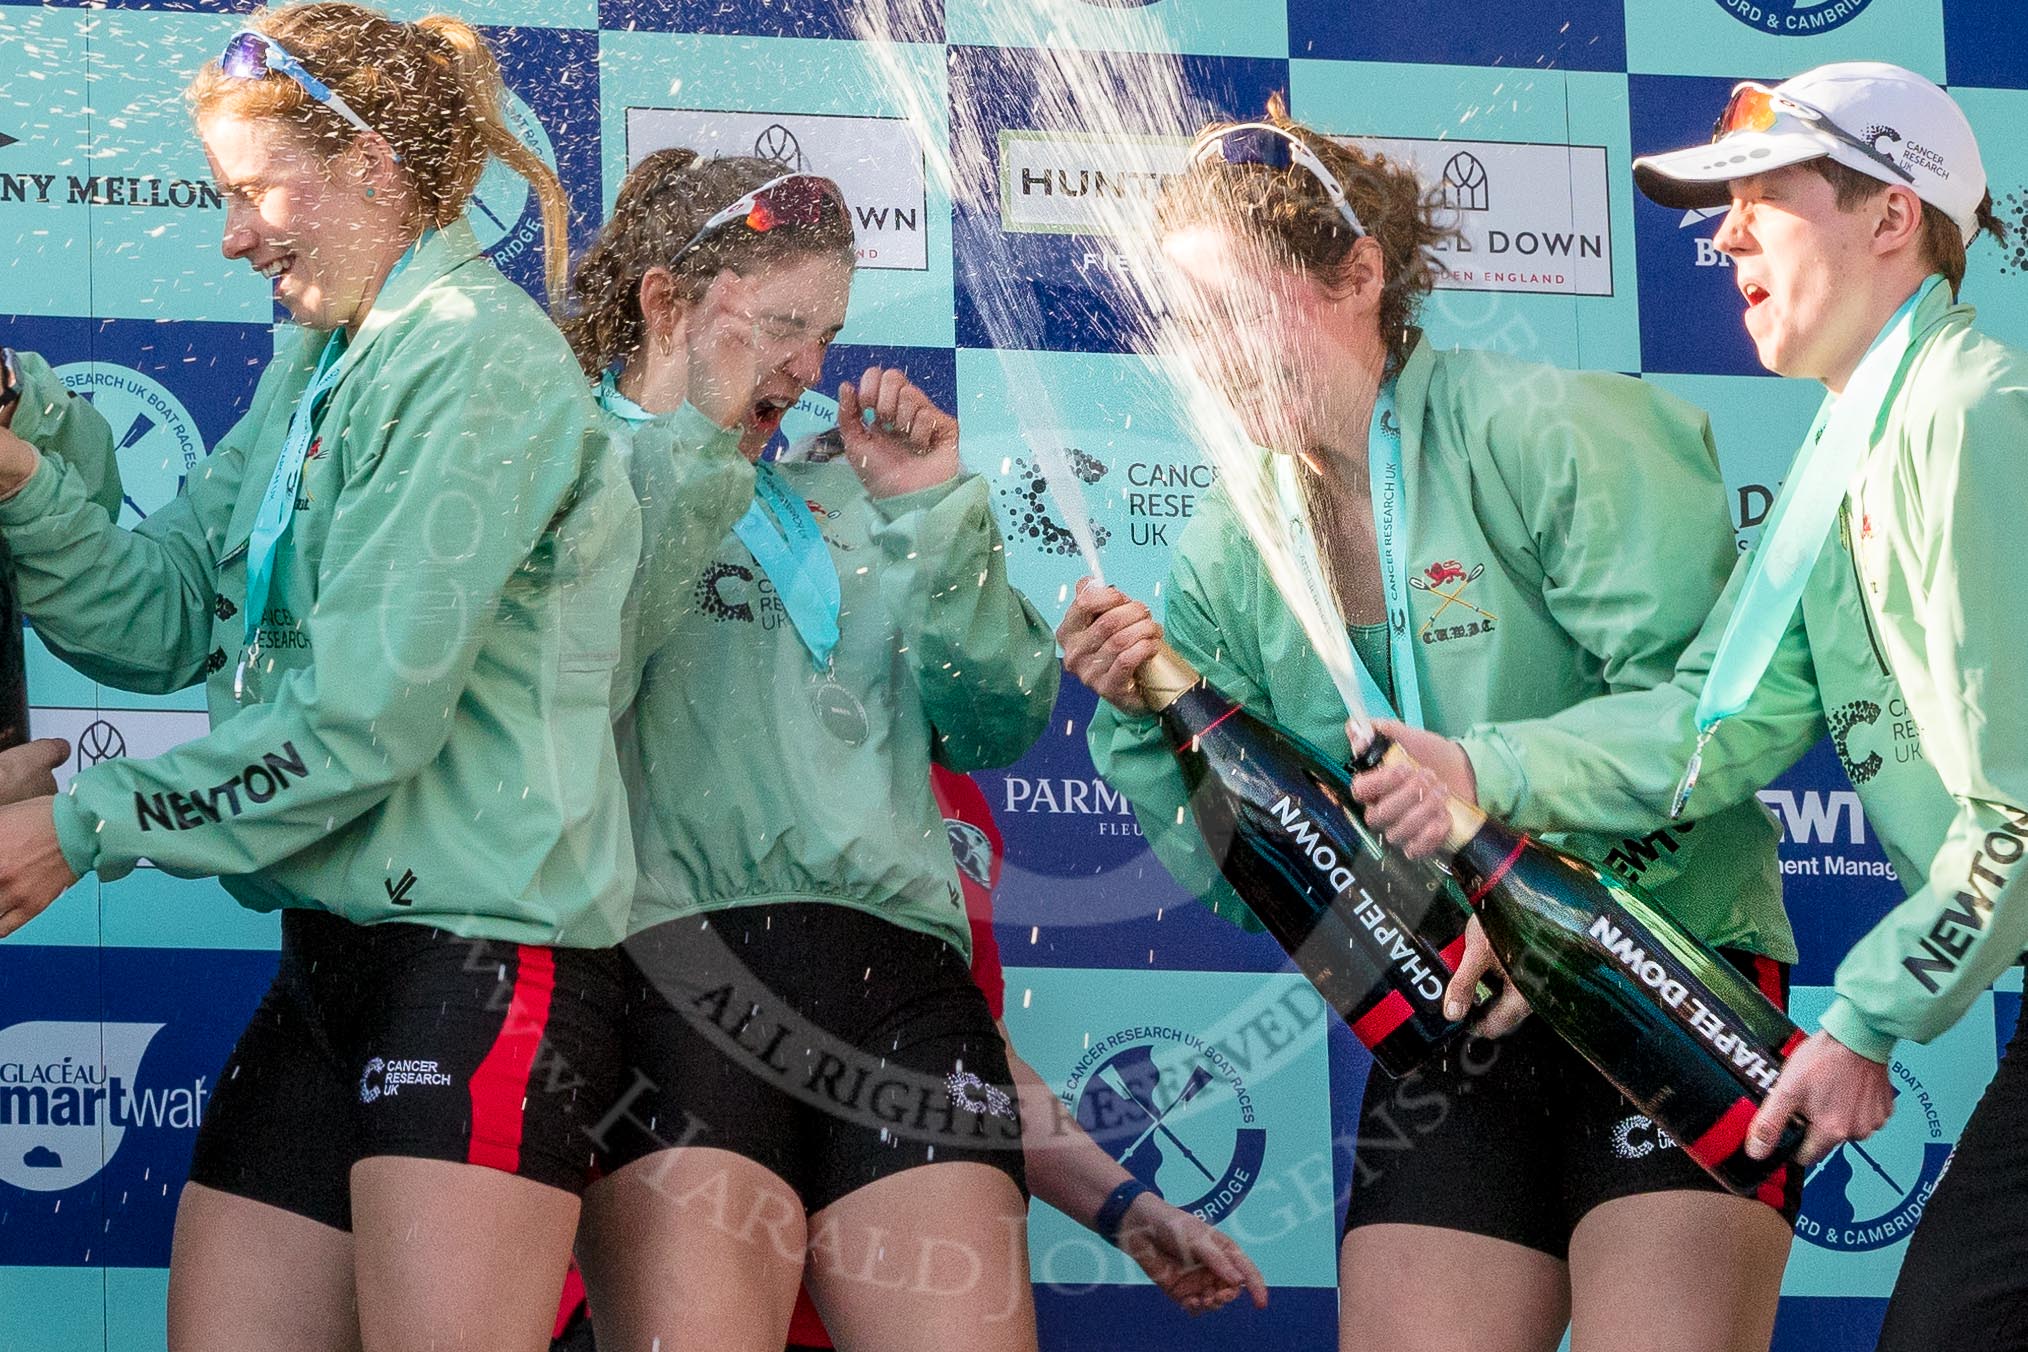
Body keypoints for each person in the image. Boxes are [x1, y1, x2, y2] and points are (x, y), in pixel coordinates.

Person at [1061, 97, 1798, 1352]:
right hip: (1450, 1018)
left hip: (1659, 965)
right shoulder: (1226, 555)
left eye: (1245, 309)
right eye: (1191, 327)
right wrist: (1143, 718)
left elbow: (1716, 720)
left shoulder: (1550, 432)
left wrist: (1494, 790)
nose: (1217, 358)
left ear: (1360, 273)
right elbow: (1267, 886)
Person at [1353, 62, 2026, 1352]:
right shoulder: (1848, 441)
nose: (1720, 238)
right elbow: (1704, 731)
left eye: (1761, 202)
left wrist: (1861, 1019)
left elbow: (2020, 808)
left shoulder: (1970, 412)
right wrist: (1477, 766)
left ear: (1893, 218)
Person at [0, 6, 639, 1350]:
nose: (234, 237)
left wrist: (81, 828)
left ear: (372, 168)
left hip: (479, 962)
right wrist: (20, 465)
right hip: (328, 965)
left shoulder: (471, 357)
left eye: (251, 194)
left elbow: (358, 721)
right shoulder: (324, 358)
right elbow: (165, 617)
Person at [563, 149, 1060, 1352]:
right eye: (783, 326)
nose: (810, 368)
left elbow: (1000, 719)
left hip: (902, 980)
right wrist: (694, 442)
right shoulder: (573, 458)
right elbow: (575, 679)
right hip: (674, 968)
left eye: (827, 331)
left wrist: (934, 510)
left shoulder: (849, 492)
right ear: (669, 303)